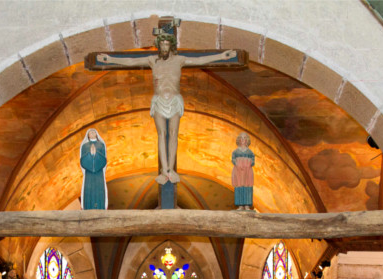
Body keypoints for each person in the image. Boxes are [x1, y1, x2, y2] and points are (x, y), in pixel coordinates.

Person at [97, 37, 236, 184]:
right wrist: (110, 59)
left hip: (175, 100)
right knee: (161, 134)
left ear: (171, 46)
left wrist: (221, 56)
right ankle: (165, 170)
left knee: (173, 134)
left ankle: (171, 168)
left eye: (166, 44)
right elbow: (131, 61)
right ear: (158, 46)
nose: (164, 47)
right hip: (159, 100)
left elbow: (200, 60)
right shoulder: (152, 60)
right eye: (161, 44)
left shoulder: (179, 60)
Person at [80, 128, 108, 209]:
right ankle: (88, 207)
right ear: (88, 135)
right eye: (90, 132)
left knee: (99, 189)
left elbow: (104, 159)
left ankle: (100, 207)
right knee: (89, 189)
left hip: (99, 173)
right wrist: (90, 155)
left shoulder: (101, 145)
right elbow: (82, 160)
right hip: (89, 173)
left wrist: (96, 155)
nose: (92, 133)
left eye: (93, 132)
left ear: (96, 134)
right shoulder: (84, 146)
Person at [232, 132, 255, 209]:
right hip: (238, 171)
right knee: (239, 186)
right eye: (241, 138)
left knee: (247, 186)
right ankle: (240, 205)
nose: (243, 140)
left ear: (247, 140)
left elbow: (253, 160)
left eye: (245, 138)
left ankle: (247, 205)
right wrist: (237, 164)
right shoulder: (235, 152)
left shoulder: (250, 152)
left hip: (247, 171)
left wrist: (249, 163)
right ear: (239, 140)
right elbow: (233, 159)